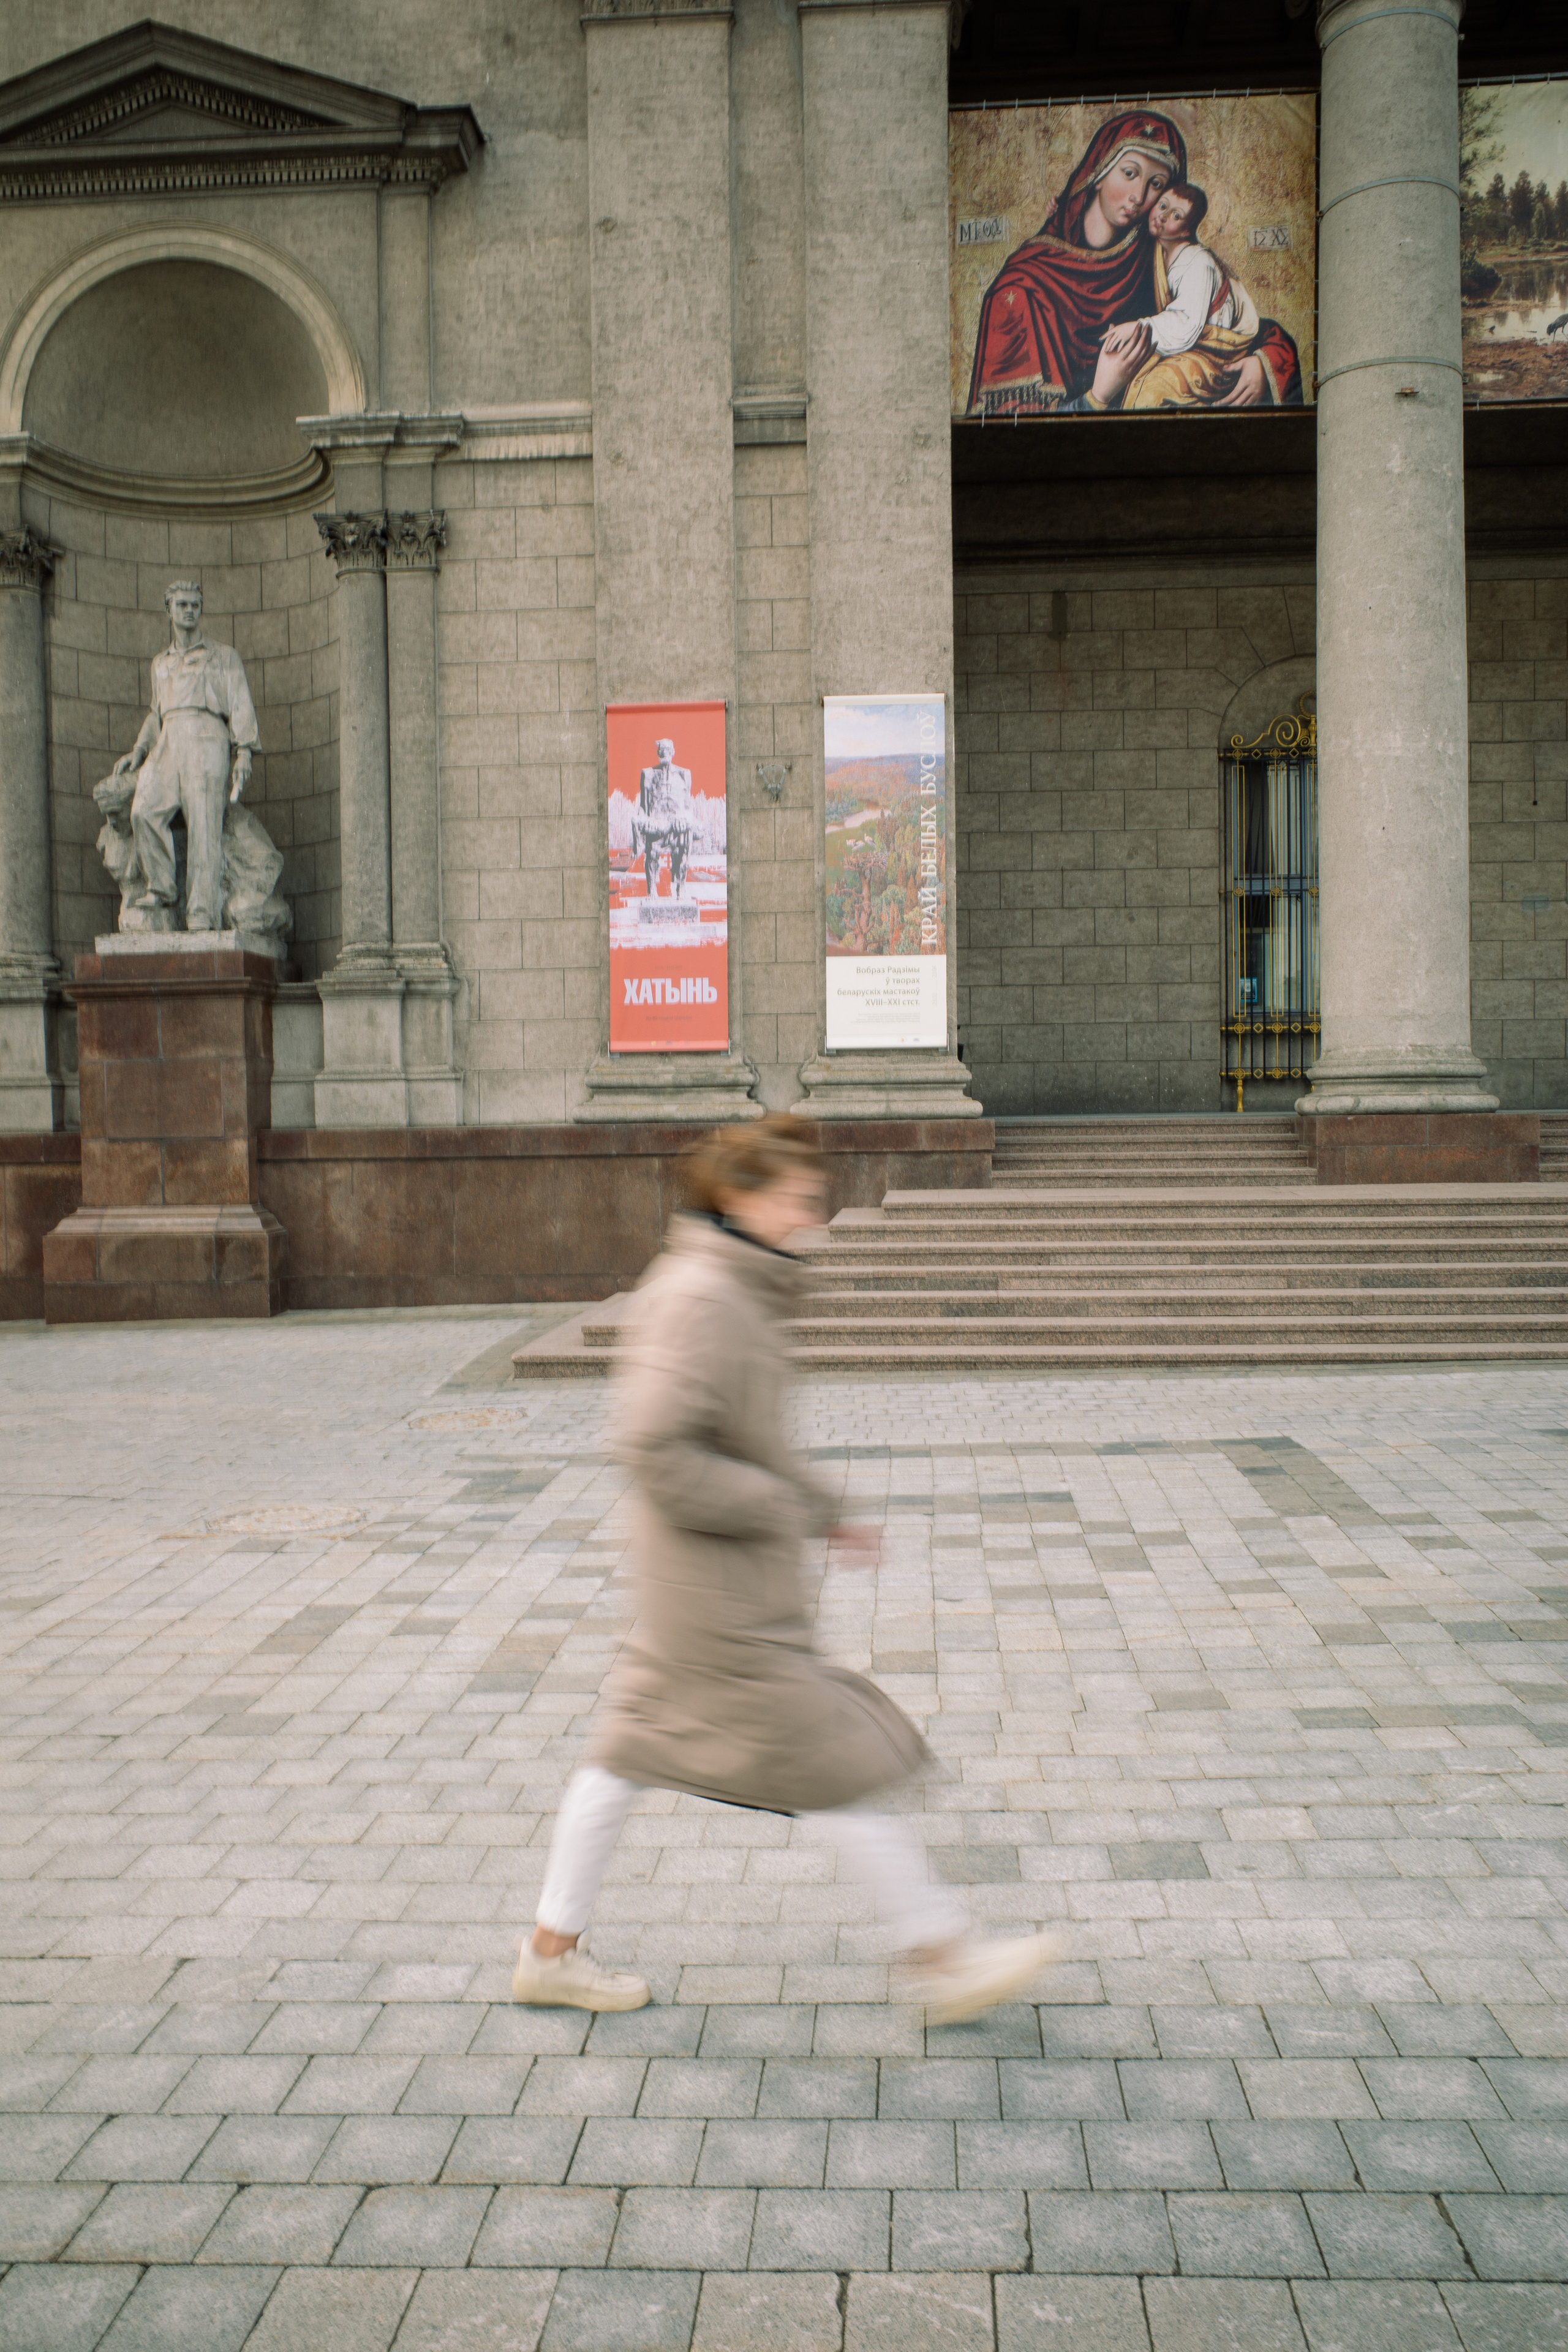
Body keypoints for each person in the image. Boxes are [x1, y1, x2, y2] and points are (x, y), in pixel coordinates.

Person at [513, 1115, 1057, 2025]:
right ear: (739, 1195)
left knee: (624, 1756)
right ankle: (943, 1960)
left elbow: (751, 1439)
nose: (814, 1208)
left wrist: (826, 1508)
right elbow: (651, 1443)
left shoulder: (733, 1286)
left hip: (702, 1585)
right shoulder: (702, 1296)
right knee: (826, 1765)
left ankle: (549, 1955)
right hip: (719, 1595)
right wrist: (774, 1509)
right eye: (797, 1194)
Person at [965, 108, 1300, 415]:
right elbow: (1011, 438)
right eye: (1129, 173)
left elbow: (1223, 326)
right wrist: (1098, 395)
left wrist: (1261, 365)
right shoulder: (1022, 288)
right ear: (1098, 172)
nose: (1139, 196)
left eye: (1156, 184)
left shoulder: (1155, 257)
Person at [111, 580, 260, 932]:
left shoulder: (223, 655)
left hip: (207, 735)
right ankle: (162, 887)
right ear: (169, 611)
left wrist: (245, 752)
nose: (190, 611)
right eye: (182, 605)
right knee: (144, 811)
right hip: (168, 740)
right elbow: (156, 714)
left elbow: (240, 702)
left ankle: (202, 912)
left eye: (195, 605)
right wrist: (139, 749)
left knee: (204, 825)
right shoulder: (159, 663)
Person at [1120, 183, 1268, 411]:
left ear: (1186, 231)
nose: (1163, 216)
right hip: (1192, 346)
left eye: (1176, 216)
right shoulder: (1161, 252)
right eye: (1162, 206)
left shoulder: (1196, 262)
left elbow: (1187, 324)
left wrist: (1137, 328)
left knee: (1150, 391)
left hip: (1215, 355)